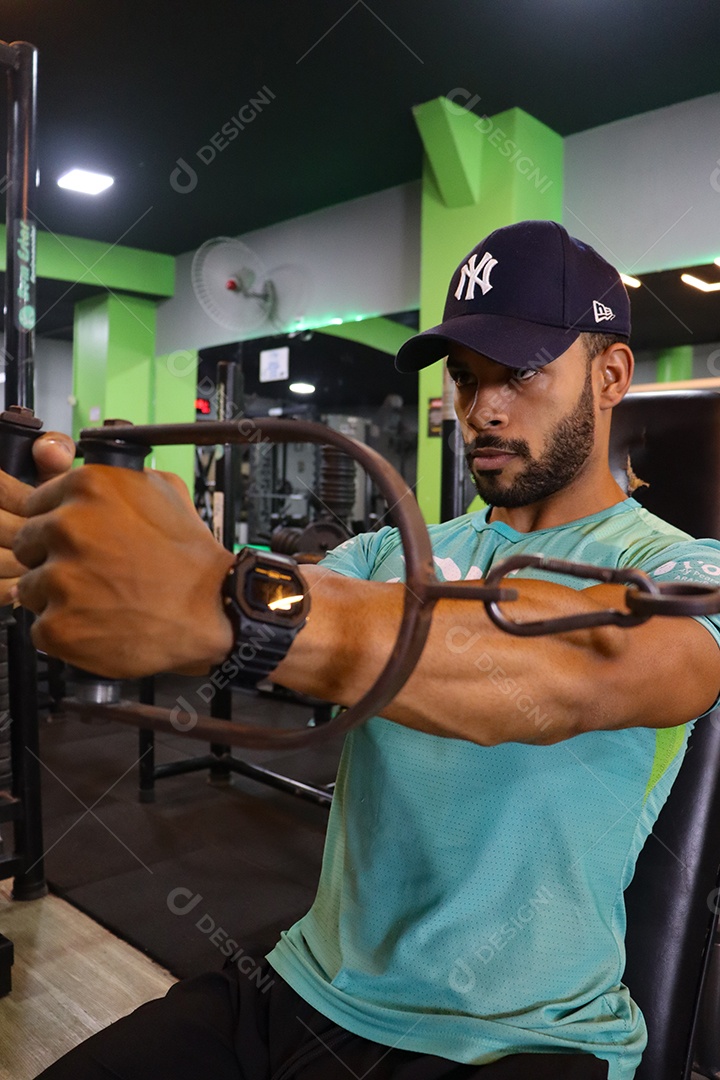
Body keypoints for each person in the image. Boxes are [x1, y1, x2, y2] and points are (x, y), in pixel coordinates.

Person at [5, 219, 720, 1080]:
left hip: (521, 1040)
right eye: (466, 376)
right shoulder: (393, 552)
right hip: (302, 988)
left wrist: (228, 605)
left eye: (521, 373)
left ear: (610, 375)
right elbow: (284, 592)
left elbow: (579, 672)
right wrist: (96, 559)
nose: (483, 408)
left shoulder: (680, 568)